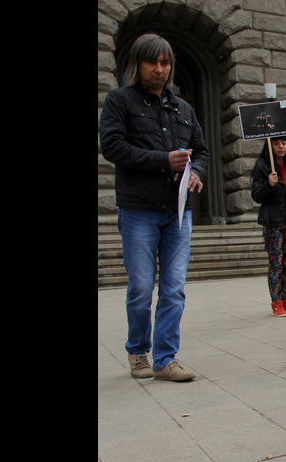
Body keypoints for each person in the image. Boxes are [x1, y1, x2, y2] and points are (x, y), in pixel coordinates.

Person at [99, 33, 208, 382]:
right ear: (137, 64)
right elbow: (112, 147)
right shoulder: (120, 101)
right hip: (138, 210)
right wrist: (165, 161)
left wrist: (198, 173)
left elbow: (201, 151)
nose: (159, 69)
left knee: (174, 287)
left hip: (178, 212)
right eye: (152, 62)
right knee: (142, 288)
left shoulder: (184, 108)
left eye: (165, 63)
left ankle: (165, 359)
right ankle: (137, 351)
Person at [250, 136, 286, 317]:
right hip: (273, 223)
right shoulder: (263, 166)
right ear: (270, 146)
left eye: (283, 143)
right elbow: (257, 195)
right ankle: (276, 302)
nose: (281, 146)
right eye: (276, 143)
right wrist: (269, 184)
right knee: (277, 263)